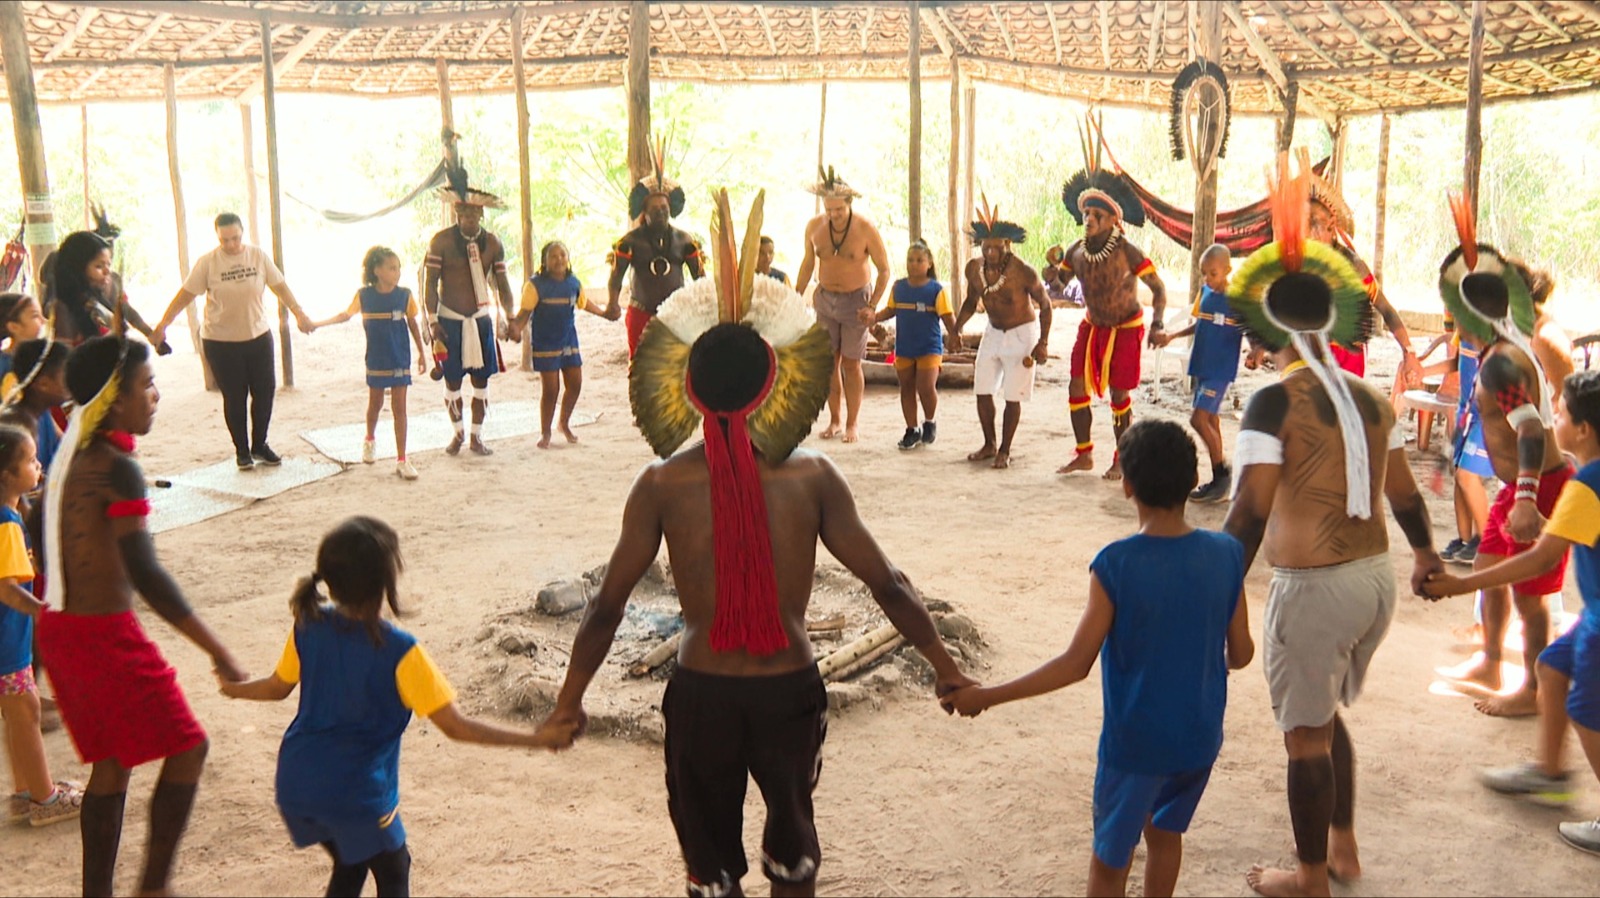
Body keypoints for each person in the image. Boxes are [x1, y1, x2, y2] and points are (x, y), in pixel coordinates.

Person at [536, 191, 975, 898]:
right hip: (788, 692)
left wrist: (568, 701)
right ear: (774, 384)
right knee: (793, 857)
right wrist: (945, 670)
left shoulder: (660, 484)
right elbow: (888, 583)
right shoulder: (813, 477)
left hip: (702, 694)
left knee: (710, 874)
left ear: (689, 389)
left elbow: (607, 606)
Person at [1222, 156, 1440, 898]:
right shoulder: (1372, 397)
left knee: (1305, 737)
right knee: (1323, 716)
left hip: (1314, 589)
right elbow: (1404, 496)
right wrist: (1426, 557)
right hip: (1375, 583)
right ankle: (1341, 849)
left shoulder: (1270, 402)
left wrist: (1215, 588)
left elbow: (1248, 513)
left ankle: (1311, 878)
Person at [946, 420, 1252, 897]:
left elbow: (1075, 664)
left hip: (1135, 747)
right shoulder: (1227, 553)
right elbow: (1243, 652)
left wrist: (986, 696)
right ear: (1194, 480)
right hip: (1198, 738)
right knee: (1165, 835)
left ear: (1127, 485)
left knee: (1110, 863)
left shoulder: (1116, 564)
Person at [219, 516, 575, 897]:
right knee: (393, 868)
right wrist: (538, 738)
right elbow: (457, 727)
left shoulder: (308, 624)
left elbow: (277, 687)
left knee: (351, 863)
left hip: (297, 783)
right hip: (356, 794)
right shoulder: (400, 652)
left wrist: (234, 688)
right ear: (386, 582)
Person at [38, 335, 246, 897]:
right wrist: (216, 648)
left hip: (61, 629)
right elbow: (147, 575)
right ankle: (153, 888)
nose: (155, 395)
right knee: (189, 747)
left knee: (112, 762)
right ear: (113, 398)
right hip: (102, 634)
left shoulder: (73, 457)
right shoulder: (116, 468)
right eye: (146, 385)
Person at [1423, 369, 1600, 853]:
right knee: (1551, 668)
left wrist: (1462, 585)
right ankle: (1550, 774)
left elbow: (1540, 559)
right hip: (1594, 612)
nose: (1553, 419)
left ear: (1583, 429)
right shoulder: (1586, 481)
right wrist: (1552, 524)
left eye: (1560, 413)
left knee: (1586, 713)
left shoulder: (1586, 484)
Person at [1431, 203, 1575, 718]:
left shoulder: (1502, 364)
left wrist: (1528, 499)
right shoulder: (1498, 350)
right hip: (1518, 485)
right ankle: (1491, 662)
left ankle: (1533, 691)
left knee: (1531, 597)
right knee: (1489, 566)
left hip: (1541, 485)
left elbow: (1531, 428)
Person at [151, 212, 315, 470]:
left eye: (235, 238)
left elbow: (280, 286)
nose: (230, 244)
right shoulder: (208, 263)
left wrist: (299, 313)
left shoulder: (258, 256)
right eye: (224, 240)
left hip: (258, 336)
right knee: (235, 396)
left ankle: (259, 444)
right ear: (218, 238)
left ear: (242, 233)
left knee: (265, 392)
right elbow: (185, 295)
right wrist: (164, 324)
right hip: (221, 341)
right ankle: (242, 451)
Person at [1052, 159, 1168, 481]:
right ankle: (1084, 453)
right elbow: (1059, 285)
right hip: (1092, 327)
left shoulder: (1128, 252)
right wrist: (1051, 274)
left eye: (1097, 215)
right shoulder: (1076, 251)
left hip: (1126, 329)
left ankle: (1122, 458)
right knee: (1076, 385)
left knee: (1120, 395)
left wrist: (1158, 323)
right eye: (1086, 214)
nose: (1089, 219)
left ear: (1114, 220)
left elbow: (1158, 288)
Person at [0, 423, 83, 828]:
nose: (39, 466)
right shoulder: (7, 524)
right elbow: (8, 588)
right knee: (26, 712)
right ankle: (44, 798)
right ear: (7, 476)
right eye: (31, 461)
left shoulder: (9, 516)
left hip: (8, 641)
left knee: (17, 715)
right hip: (7, 642)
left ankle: (25, 790)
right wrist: (44, 613)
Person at [309, 247, 428, 481]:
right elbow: (345, 315)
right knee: (375, 403)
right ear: (377, 270)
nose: (397, 273)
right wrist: (317, 324)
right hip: (377, 357)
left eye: (398, 268)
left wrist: (422, 354)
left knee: (400, 408)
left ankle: (402, 459)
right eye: (392, 268)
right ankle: (369, 439)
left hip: (399, 356)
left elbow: (413, 324)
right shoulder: (364, 296)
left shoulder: (405, 295)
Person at [795, 166, 891, 443]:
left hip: (856, 301)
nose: (833, 214)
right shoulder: (814, 227)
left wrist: (872, 306)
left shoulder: (865, 228)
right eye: (829, 209)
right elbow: (807, 263)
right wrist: (796, 295)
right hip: (825, 300)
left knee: (851, 363)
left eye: (839, 209)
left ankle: (852, 423)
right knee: (829, 362)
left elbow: (884, 270)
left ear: (849, 204)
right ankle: (835, 420)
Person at [424, 171, 517, 458]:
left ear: (482, 214)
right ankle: (458, 433)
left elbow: (502, 284)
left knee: (481, 382)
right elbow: (430, 283)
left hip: (480, 320)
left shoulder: (493, 243)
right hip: (449, 320)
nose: (469, 218)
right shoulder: (440, 242)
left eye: (474, 213)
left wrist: (510, 317)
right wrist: (433, 322)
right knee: (452, 382)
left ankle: (476, 436)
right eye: (464, 213)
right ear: (456, 212)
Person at [951, 200, 1049, 470]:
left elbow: (1046, 304)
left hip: (1022, 334)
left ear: (1008, 244)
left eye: (997, 247)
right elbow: (971, 301)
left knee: (1012, 395)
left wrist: (1042, 342)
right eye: (986, 247)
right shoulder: (974, 269)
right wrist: (956, 329)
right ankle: (989, 444)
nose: (991, 252)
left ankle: (1005, 450)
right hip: (993, 331)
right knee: (982, 389)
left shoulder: (1023, 271)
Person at [1302, 165, 1421, 386]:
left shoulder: (1354, 268)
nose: (1307, 232)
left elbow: (1386, 309)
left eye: (1313, 224)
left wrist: (1409, 352)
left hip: (1347, 364)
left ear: (1331, 225)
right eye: (1304, 225)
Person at [1151, 244, 1241, 502]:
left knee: (1198, 420)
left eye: (1213, 273)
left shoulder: (1237, 301)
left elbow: (1251, 328)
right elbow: (1198, 324)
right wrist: (1172, 336)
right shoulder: (1205, 293)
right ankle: (1219, 480)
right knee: (1211, 420)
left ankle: (1222, 474)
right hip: (1202, 364)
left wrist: (1257, 352)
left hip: (1220, 370)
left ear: (1227, 270)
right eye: (1204, 273)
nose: (1207, 279)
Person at [510, 240, 617, 448]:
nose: (559, 259)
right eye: (553, 256)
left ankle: (564, 423)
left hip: (568, 339)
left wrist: (604, 314)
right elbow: (524, 314)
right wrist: (515, 328)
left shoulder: (573, 283)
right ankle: (545, 432)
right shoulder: (535, 285)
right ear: (544, 261)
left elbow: (584, 303)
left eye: (562, 255)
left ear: (568, 259)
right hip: (545, 342)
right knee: (551, 389)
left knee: (575, 384)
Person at [608, 139, 704, 357]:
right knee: (641, 367)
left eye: (664, 207)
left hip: (676, 314)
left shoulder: (684, 240)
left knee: (676, 366)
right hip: (641, 314)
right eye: (655, 208)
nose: (660, 211)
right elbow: (616, 275)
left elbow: (699, 277)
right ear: (645, 211)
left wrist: (704, 306)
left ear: (671, 209)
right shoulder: (630, 242)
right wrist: (613, 303)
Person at [863, 239, 960, 451]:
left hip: (929, 346)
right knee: (906, 387)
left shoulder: (936, 290)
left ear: (929, 263)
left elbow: (948, 316)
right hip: (905, 346)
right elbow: (891, 310)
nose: (914, 264)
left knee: (926, 387)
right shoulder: (899, 287)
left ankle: (930, 421)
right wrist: (874, 317)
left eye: (919, 260)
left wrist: (955, 335)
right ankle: (911, 429)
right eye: (910, 260)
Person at [40, 210, 164, 350]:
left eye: (108, 264)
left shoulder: (113, 282)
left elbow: (126, 310)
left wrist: (150, 334)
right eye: (98, 265)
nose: (106, 271)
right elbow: (64, 356)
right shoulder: (64, 310)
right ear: (80, 267)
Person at [0, 292, 47, 397]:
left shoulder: (46, 357)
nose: (43, 321)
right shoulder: (3, 365)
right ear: (13, 327)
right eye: (35, 316)